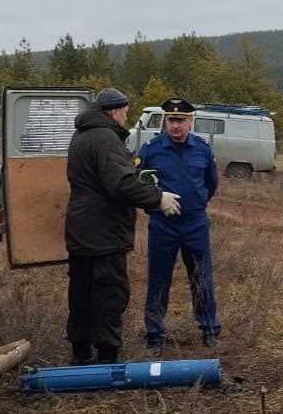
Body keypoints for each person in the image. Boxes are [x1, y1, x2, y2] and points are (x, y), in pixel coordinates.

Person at [65, 87, 180, 365]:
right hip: (104, 234)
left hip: (80, 229)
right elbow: (119, 184)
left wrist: (135, 174)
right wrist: (157, 198)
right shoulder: (106, 137)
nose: (126, 119)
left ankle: (80, 355)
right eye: (126, 114)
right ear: (114, 112)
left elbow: (105, 176)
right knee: (109, 295)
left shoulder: (81, 135)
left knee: (81, 294)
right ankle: (107, 359)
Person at [137, 97, 221, 355]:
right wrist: (156, 205)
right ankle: (154, 335)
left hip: (195, 223)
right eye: (171, 120)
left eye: (181, 120)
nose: (176, 126)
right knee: (159, 279)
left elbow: (211, 183)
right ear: (165, 120)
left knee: (201, 277)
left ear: (190, 121)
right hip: (164, 224)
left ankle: (209, 330)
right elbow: (140, 186)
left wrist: (196, 205)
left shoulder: (202, 149)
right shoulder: (150, 149)